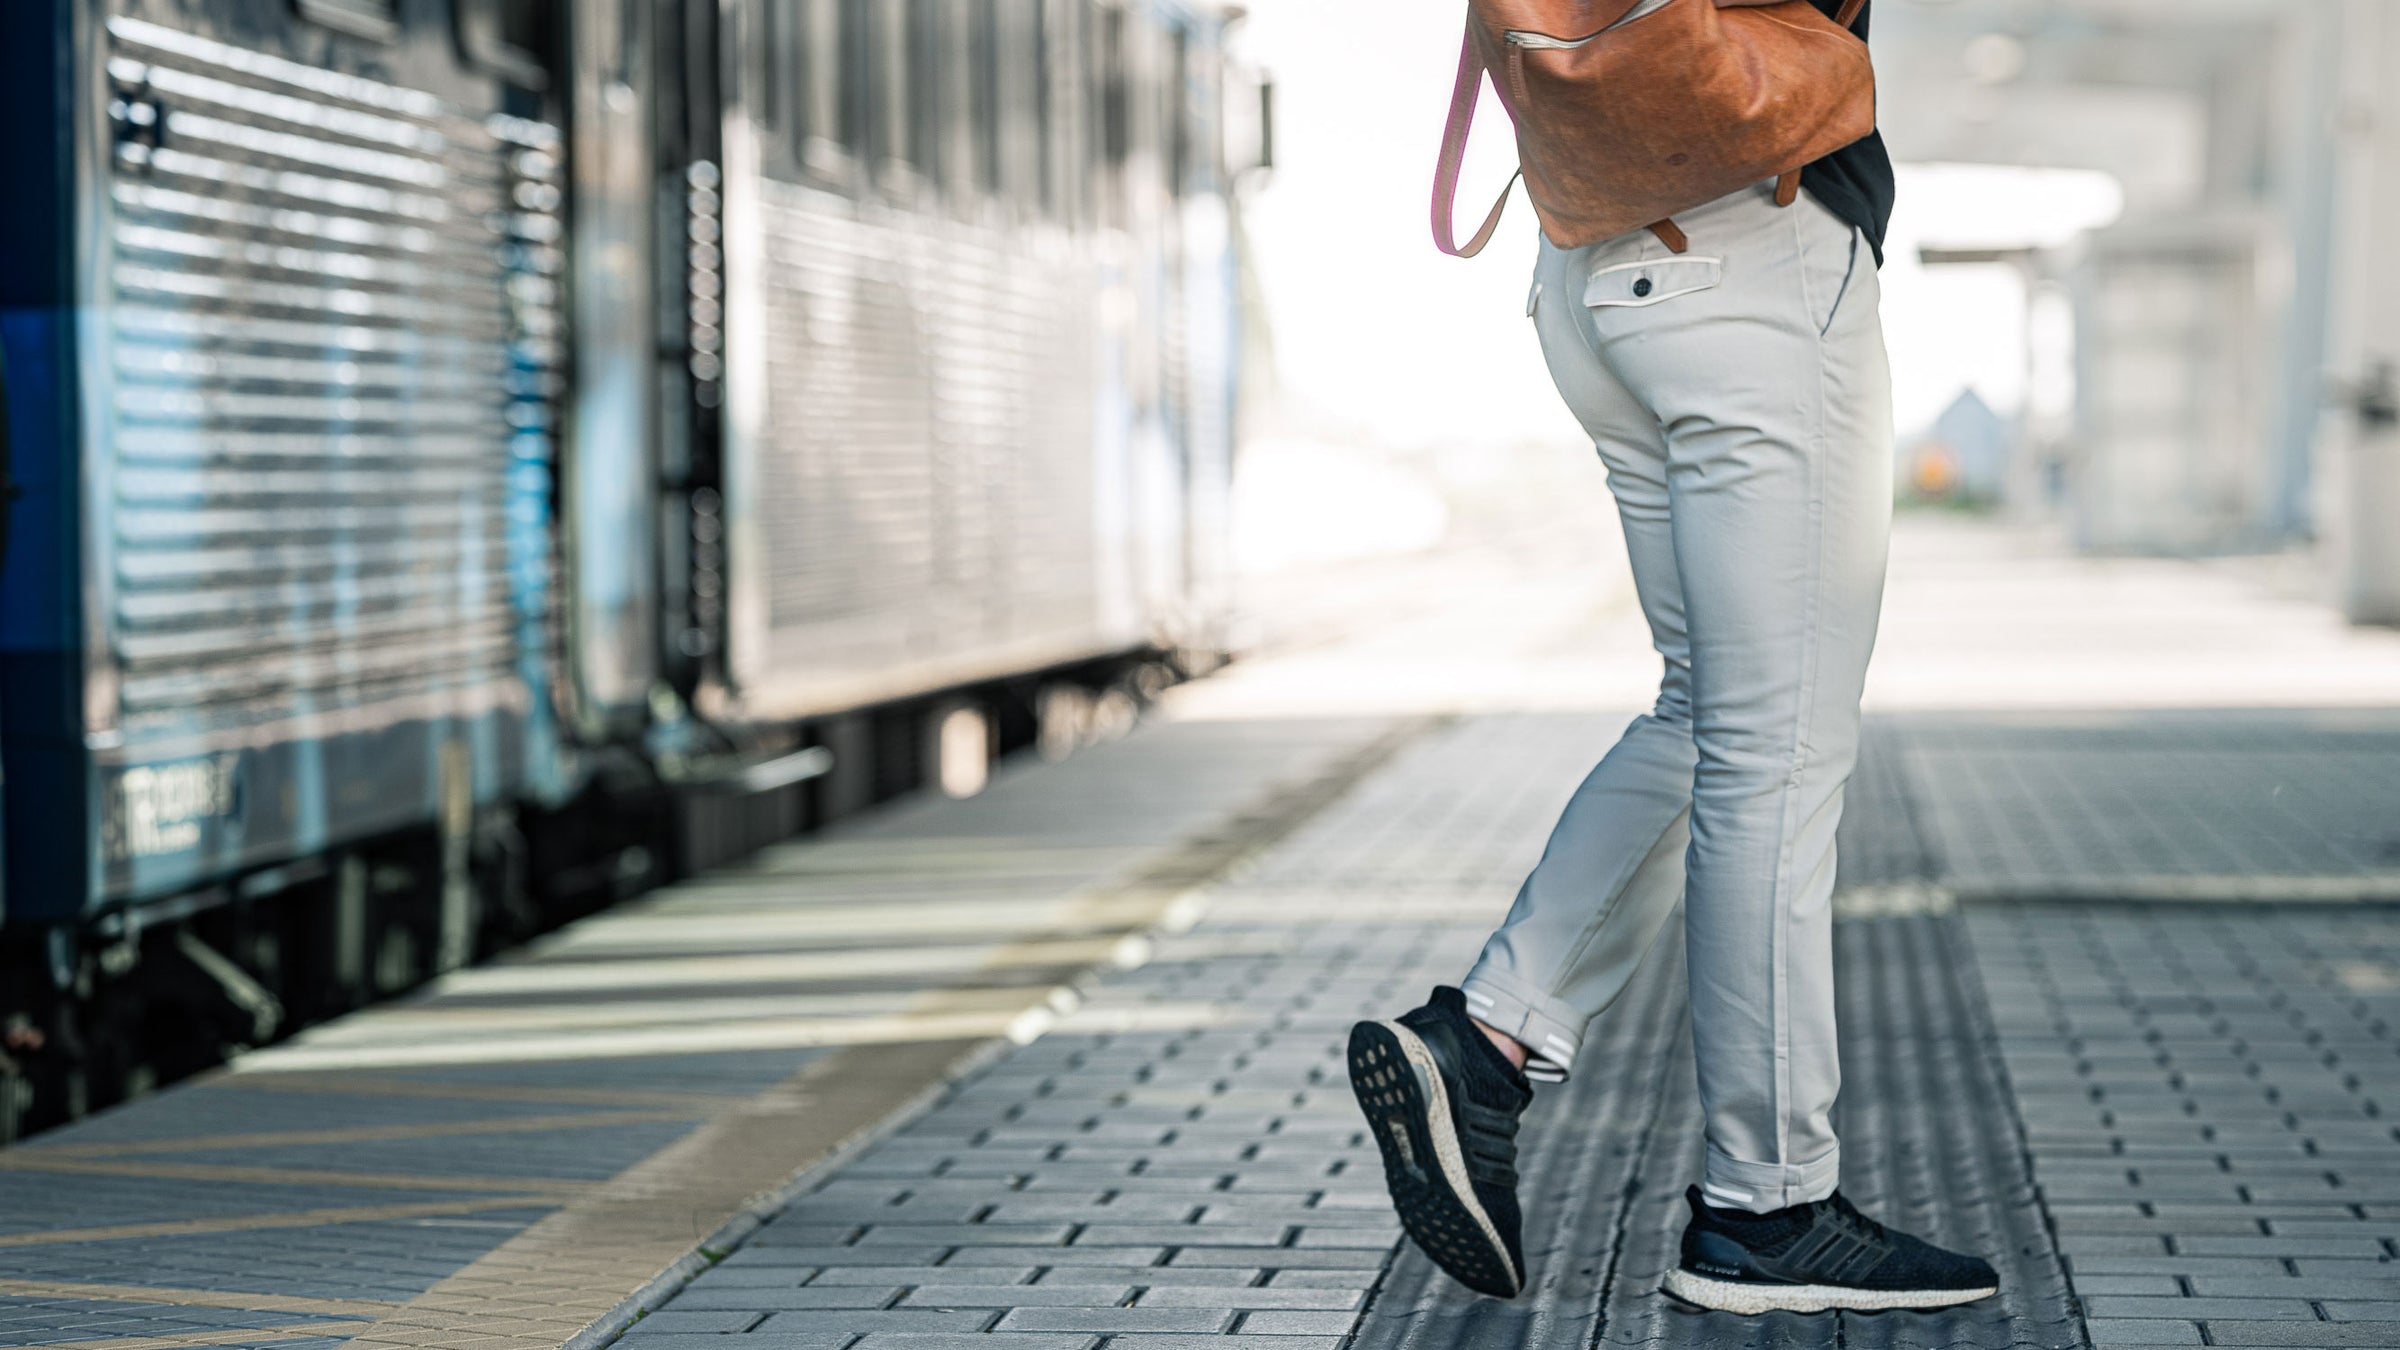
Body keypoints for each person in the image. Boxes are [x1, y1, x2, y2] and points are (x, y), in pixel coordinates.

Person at [1347, 0, 2001, 1315]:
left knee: (1713, 714)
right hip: (1749, 254)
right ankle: (1768, 1202)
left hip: (1593, 272)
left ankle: (1489, 1037)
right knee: (1781, 745)